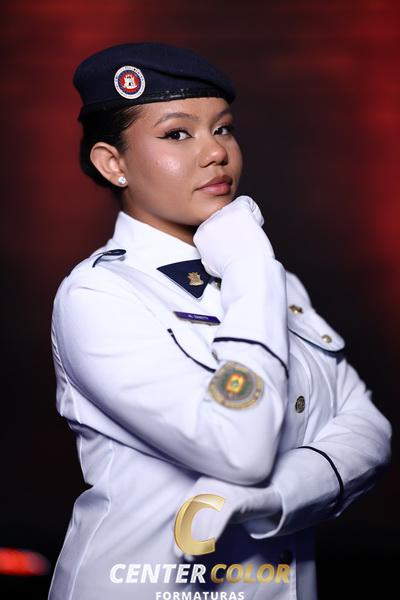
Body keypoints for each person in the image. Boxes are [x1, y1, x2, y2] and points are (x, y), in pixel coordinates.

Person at [48, 42, 392, 600]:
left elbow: (368, 427)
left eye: (224, 129)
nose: (216, 153)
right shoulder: (99, 295)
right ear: (114, 164)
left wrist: (274, 497)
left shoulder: (272, 281)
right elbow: (241, 448)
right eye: (177, 134)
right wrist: (251, 263)